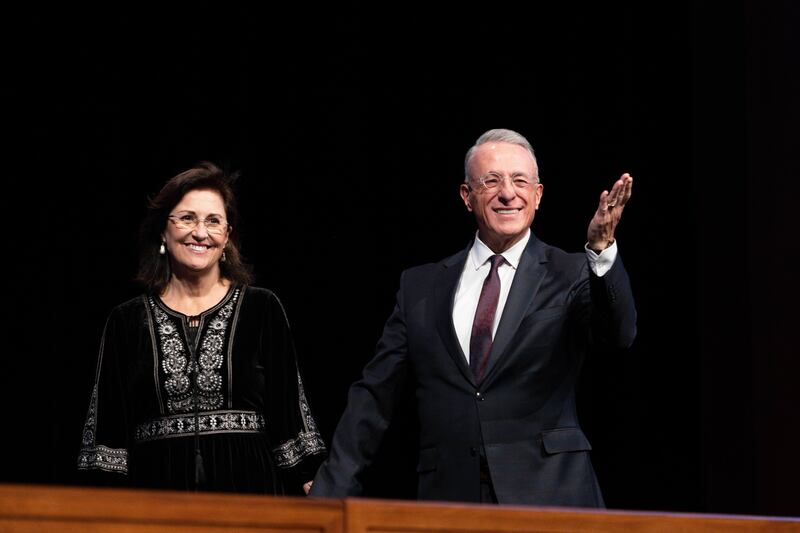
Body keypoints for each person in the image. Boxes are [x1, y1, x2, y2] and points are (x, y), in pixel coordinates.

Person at [310, 129, 636, 506]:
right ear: (467, 196)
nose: (508, 193)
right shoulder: (421, 287)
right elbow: (374, 396)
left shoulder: (572, 272)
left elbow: (618, 334)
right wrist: (328, 494)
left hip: (550, 497)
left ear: (538, 195)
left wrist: (601, 250)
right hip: (451, 501)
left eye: (519, 181)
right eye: (491, 181)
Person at [77, 161, 325, 494]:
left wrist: (314, 483)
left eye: (213, 221)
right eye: (187, 218)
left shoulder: (261, 308)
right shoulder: (126, 321)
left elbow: (290, 413)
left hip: (250, 494)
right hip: (156, 497)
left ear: (227, 237)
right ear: (163, 230)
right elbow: (107, 433)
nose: (200, 232)